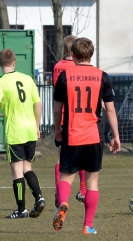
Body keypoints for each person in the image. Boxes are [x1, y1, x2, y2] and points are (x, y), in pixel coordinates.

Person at [53, 37, 121, 234]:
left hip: (71, 133)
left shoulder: (65, 76)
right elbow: (110, 110)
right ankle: (87, 225)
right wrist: (116, 136)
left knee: (66, 176)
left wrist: (58, 129)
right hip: (93, 136)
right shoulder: (102, 76)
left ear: (72, 55)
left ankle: (63, 203)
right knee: (92, 181)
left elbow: (57, 109)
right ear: (92, 54)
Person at [0, 48, 45, 219]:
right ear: (14, 62)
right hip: (30, 130)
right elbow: (38, 104)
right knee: (27, 168)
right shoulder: (27, 79)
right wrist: (37, 126)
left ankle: (21, 210)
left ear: (0, 64)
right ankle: (39, 197)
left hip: (15, 132)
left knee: (17, 171)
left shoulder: (1, 83)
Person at [52, 35, 86, 207]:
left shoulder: (58, 67)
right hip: (77, 116)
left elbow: (56, 89)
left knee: (61, 158)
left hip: (63, 117)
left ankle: (60, 192)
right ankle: (83, 189)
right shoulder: (77, 67)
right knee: (81, 155)